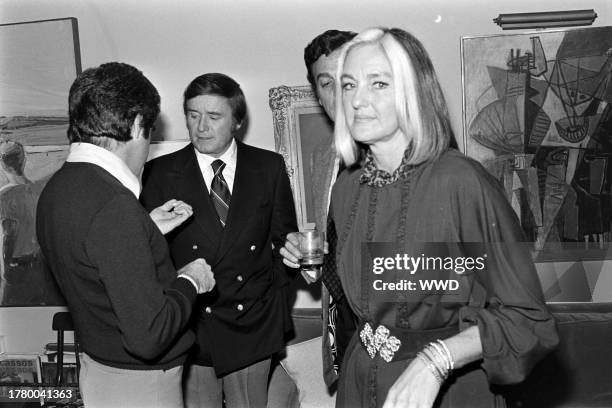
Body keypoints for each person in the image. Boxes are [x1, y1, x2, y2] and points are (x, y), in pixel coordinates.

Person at [281, 28, 559, 407]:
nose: (357, 100)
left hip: (445, 389)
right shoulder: (346, 187)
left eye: (378, 83)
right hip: (361, 381)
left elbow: (528, 320)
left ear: (415, 91)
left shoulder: (460, 181)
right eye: (348, 85)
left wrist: (436, 360)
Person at [36, 62, 216, 408]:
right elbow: (148, 336)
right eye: (150, 132)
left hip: (100, 369)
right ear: (136, 124)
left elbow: (95, 256)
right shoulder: (114, 208)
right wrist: (190, 280)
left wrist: (144, 228)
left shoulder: (60, 187)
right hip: (141, 387)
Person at [140, 73, 297, 408]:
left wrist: (275, 306)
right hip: (193, 323)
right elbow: (150, 259)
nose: (201, 127)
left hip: (252, 322)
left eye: (214, 117)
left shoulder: (268, 167)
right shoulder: (159, 173)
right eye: (193, 115)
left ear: (237, 121)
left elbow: (286, 244)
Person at [302, 29, 358, 388]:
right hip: (345, 320)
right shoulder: (325, 159)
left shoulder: (414, 151)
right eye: (326, 83)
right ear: (317, 95)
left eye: (346, 80)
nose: (338, 93)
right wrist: (308, 256)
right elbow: (333, 238)